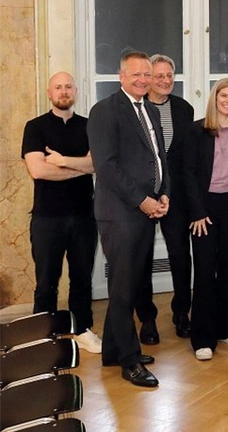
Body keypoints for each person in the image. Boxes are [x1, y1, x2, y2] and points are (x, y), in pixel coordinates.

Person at [88, 51, 169, 387]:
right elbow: (106, 167)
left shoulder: (149, 108)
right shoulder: (104, 111)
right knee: (122, 288)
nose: (142, 80)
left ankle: (112, 350)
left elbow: (157, 157)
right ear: (120, 76)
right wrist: (142, 201)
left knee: (131, 284)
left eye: (146, 75)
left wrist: (164, 193)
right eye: (135, 74)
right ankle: (130, 361)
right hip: (120, 214)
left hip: (146, 211)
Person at [21, 71, 102, 354]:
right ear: (49, 92)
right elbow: (38, 170)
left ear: (76, 91)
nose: (63, 91)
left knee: (82, 278)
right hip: (47, 217)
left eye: (68, 87)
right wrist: (80, 166)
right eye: (58, 87)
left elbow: (97, 166)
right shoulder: (35, 127)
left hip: (84, 216)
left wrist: (63, 162)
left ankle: (82, 330)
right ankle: (41, 335)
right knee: (46, 281)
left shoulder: (89, 126)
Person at [184, 78, 228, 361]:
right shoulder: (196, 130)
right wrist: (198, 211)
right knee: (204, 271)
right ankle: (202, 336)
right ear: (214, 98)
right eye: (223, 95)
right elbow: (187, 174)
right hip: (205, 208)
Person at [134, 54, 195, 344]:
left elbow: (185, 159)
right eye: (159, 76)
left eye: (169, 75)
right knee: (142, 259)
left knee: (181, 256)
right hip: (142, 198)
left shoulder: (184, 109)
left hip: (177, 198)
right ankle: (146, 318)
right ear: (147, 78)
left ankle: (182, 312)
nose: (165, 81)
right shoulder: (135, 109)